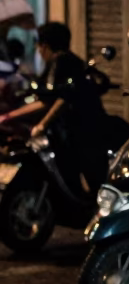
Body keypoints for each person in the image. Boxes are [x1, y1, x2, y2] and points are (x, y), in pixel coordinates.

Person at [0, 21, 107, 193]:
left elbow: (53, 100)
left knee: (90, 180)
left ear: (45, 46)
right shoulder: (71, 61)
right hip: (85, 129)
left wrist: (15, 118)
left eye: (38, 46)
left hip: (79, 132)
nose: (38, 51)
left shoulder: (60, 63)